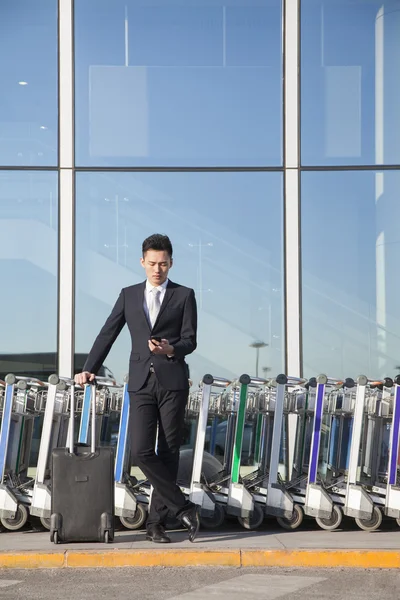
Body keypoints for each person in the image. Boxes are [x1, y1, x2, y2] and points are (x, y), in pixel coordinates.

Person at [74, 233, 199, 544]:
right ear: (143, 262)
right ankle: (183, 506)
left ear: (171, 264)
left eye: (164, 264)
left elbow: (190, 341)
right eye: (153, 263)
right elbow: (109, 332)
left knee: (169, 452)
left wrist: (170, 349)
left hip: (172, 382)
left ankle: (156, 524)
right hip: (141, 382)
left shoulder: (184, 295)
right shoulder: (129, 295)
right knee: (141, 451)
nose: (158, 269)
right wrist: (89, 367)